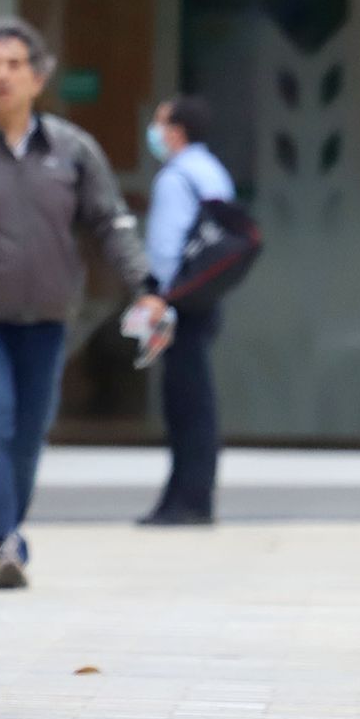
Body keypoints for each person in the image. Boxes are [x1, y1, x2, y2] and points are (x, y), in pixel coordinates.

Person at [0, 20, 166, 589]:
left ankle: (7, 533)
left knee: (28, 432)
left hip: (46, 320)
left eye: (14, 65)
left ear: (38, 77)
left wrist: (144, 283)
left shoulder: (71, 150)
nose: (2, 75)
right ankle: (0, 543)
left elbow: (111, 223)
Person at [136, 96, 235, 526]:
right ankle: (189, 495)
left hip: (179, 301)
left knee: (186, 403)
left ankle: (188, 501)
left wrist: (155, 294)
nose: (155, 132)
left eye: (160, 123)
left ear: (175, 130)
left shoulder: (177, 178)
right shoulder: (212, 171)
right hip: (206, 296)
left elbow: (165, 246)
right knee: (197, 399)